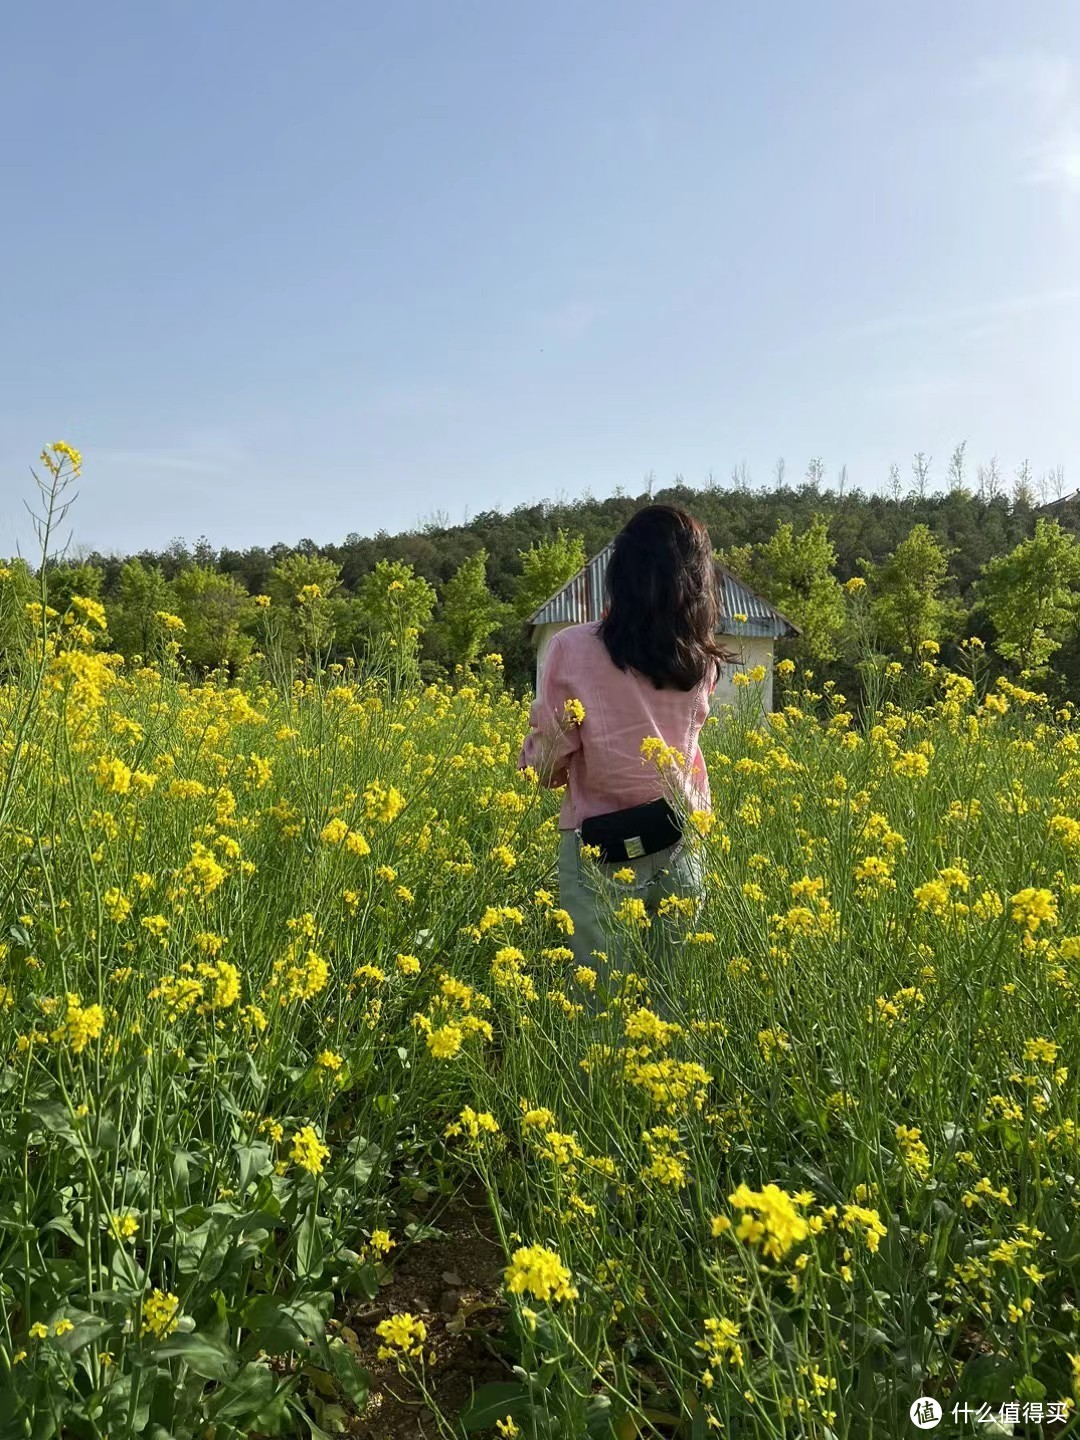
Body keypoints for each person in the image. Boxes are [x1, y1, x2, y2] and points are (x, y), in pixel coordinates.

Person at [517, 505, 729, 1011]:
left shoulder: (573, 648)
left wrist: (537, 742)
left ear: (620, 575)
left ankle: (603, 1093)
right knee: (670, 1005)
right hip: (682, 842)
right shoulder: (702, 660)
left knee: (599, 1007)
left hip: (600, 852)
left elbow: (546, 767)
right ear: (698, 582)